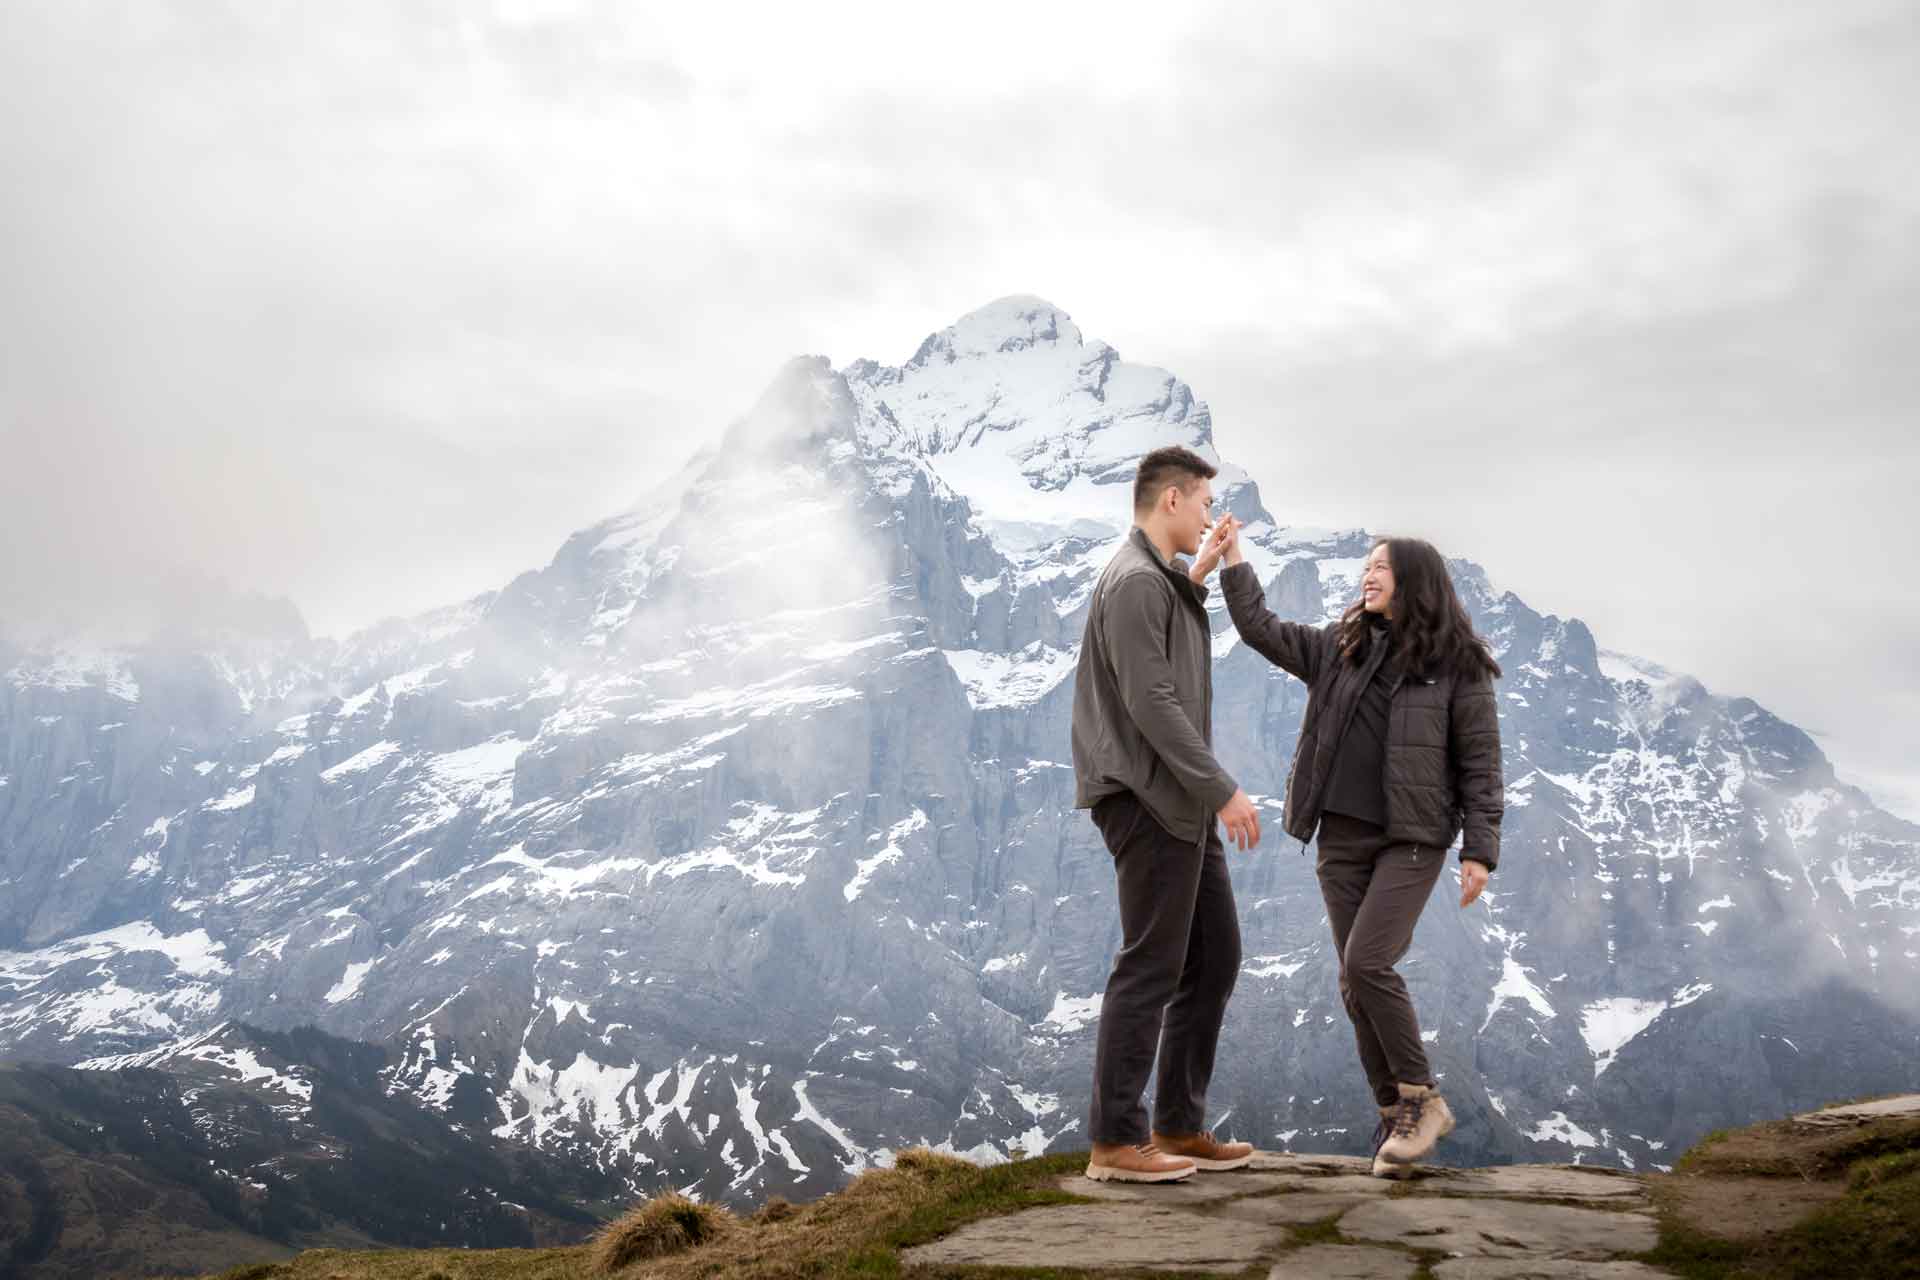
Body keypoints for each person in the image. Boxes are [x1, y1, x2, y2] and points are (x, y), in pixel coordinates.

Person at [1215, 520, 1503, 1178]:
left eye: (1382, 567)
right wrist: (1234, 558)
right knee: (1353, 982)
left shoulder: (1458, 667)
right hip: (1340, 840)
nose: (1368, 575)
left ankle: (1422, 1101)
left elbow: (1482, 765)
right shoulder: (1336, 648)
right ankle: (1394, 1117)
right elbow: (1259, 628)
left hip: (1411, 840)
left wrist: (1479, 851)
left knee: (1369, 962)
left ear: (1414, 582)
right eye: (1367, 566)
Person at [1069, 445, 1263, 1184]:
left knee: (1213, 957)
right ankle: (1116, 1142)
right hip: (1150, 797)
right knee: (1152, 962)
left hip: (1176, 800)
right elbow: (1152, 701)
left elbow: (1161, 655)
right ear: (1172, 500)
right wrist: (1222, 789)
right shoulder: (1133, 582)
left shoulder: (1157, 580)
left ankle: (1178, 1124)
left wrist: (1198, 576)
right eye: (1205, 503)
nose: (1211, 517)